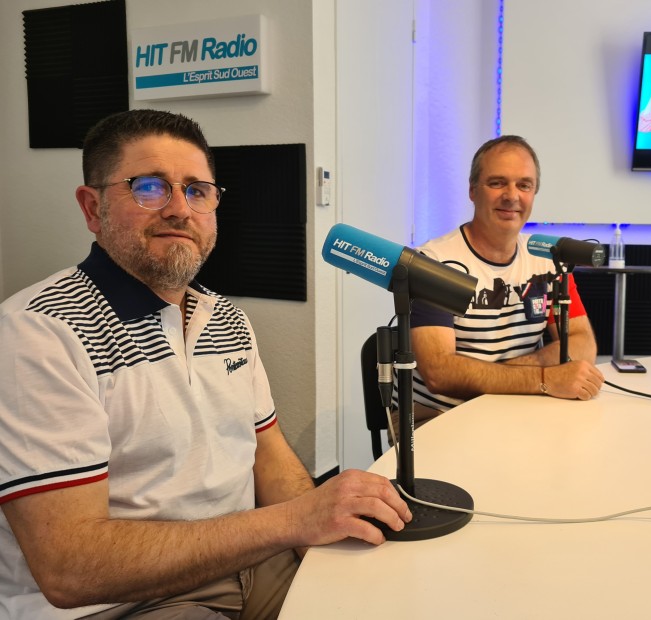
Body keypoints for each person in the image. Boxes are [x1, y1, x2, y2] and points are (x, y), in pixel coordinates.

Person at [0, 109, 411, 619]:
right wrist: (294, 522)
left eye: (197, 191)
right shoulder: (39, 333)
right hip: (125, 604)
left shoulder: (227, 318)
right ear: (92, 208)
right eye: (149, 187)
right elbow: (71, 568)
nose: (179, 209)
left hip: (251, 562)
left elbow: (268, 455)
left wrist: (317, 546)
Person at [407, 135, 604, 422]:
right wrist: (544, 377)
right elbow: (440, 374)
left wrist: (503, 374)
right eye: (497, 183)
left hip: (519, 405)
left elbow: (582, 343)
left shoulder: (548, 258)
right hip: (441, 414)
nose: (512, 196)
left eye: (524, 185)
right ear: (472, 190)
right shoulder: (433, 263)